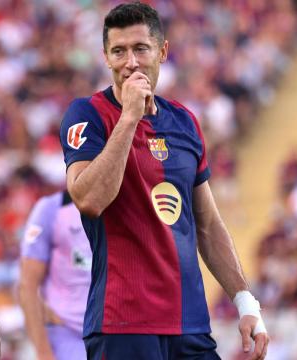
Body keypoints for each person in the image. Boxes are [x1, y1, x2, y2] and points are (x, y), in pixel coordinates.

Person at [59, 2, 269, 360]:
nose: (131, 62)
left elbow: (208, 224)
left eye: (141, 49)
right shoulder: (88, 114)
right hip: (123, 324)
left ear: (163, 51)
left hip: (190, 324)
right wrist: (128, 119)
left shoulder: (185, 121)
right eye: (119, 52)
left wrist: (246, 302)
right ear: (105, 58)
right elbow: (89, 199)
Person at [18, 190, 92, 360]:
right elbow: (27, 285)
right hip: (68, 336)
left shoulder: (123, 206)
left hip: (115, 333)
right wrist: (43, 352)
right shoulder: (52, 209)